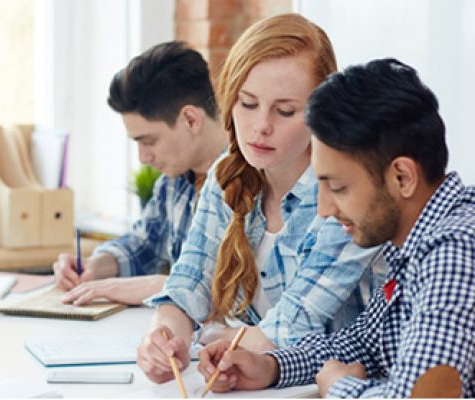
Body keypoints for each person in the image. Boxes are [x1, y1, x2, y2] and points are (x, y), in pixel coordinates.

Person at [197, 58, 475, 398]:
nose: (325, 210)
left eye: (338, 187)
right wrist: (270, 367)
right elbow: (366, 344)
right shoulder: (408, 242)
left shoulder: (455, 249)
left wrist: (339, 388)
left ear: (402, 177)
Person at [139, 14, 385, 384]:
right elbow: (188, 281)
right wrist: (164, 337)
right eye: (248, 103)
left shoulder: (346, 192)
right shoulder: (228, 173)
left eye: (285, 111)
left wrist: (223, 347)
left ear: (322, 113)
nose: (260, 126)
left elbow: (292, 325)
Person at [53, 41, 227, 305]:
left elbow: (230, 291)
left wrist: (152, 286)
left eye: (149, 141)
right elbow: (144, 244)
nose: (143, 158)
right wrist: (96, 265)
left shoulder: (251, 180)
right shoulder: (175, 179)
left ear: (191, 119)